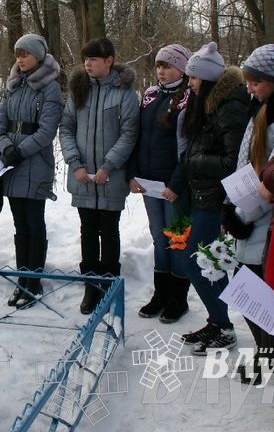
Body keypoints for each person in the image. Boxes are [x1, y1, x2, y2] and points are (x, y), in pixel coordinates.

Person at [178, 42, 249, 354]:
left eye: (193, 78)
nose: (189, 83)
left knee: (196, 261)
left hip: (217, 198)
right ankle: (218, 322)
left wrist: (193, 162)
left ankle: (224, 325)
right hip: (202, 195)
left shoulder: (229, 107)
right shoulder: (208, 104)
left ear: (206, 78)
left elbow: (233, 161)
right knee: (206, 263)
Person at [59, 37, 139, 315]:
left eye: (93, 59)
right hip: (82, 177)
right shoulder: (79, 89)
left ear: (109, 61)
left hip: (110, 178)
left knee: (109, 231)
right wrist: (76, 163)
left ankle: (109, 286)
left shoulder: (125, 93)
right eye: (85, 59)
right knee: (87, 232)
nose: (87, 64)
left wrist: (108, 166)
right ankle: (90, 288)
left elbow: (130, 134)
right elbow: (66, 127)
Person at [223, 44, 274, 381]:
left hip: (262, 218)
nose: (249, 88)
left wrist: (242, 215)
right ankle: (267, 352)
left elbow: (272, 178)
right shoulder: (259, 109)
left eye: (256, 81)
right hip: (246, 208)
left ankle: (269, 356)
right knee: (247, 292)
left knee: (257, 293)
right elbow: (246, 162)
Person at [0, 33, 63, 309]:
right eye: (18, 54)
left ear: (39, 56)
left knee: (34, 223)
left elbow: (47, 131)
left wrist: (20, 151)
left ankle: (35, 280)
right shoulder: (13, 85)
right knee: (20, 224)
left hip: (35, 164)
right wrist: (4, 143)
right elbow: (0, 119)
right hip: (10, 163)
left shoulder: (50, 88)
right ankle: (22, 278)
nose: (20, 59)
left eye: (25, 54)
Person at [128, 43, 192, 323]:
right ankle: (160, 294)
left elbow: (189, 147)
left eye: (167, 65)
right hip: (149, 182)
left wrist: (177, 184)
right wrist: (132, 173)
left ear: (182, 68)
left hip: (174, 186)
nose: (162, 71)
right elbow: (138, 136)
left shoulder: (191, 98)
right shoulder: (150, 95)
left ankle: (178, 298)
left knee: (176, 239)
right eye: (158, 65)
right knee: (158, 237)